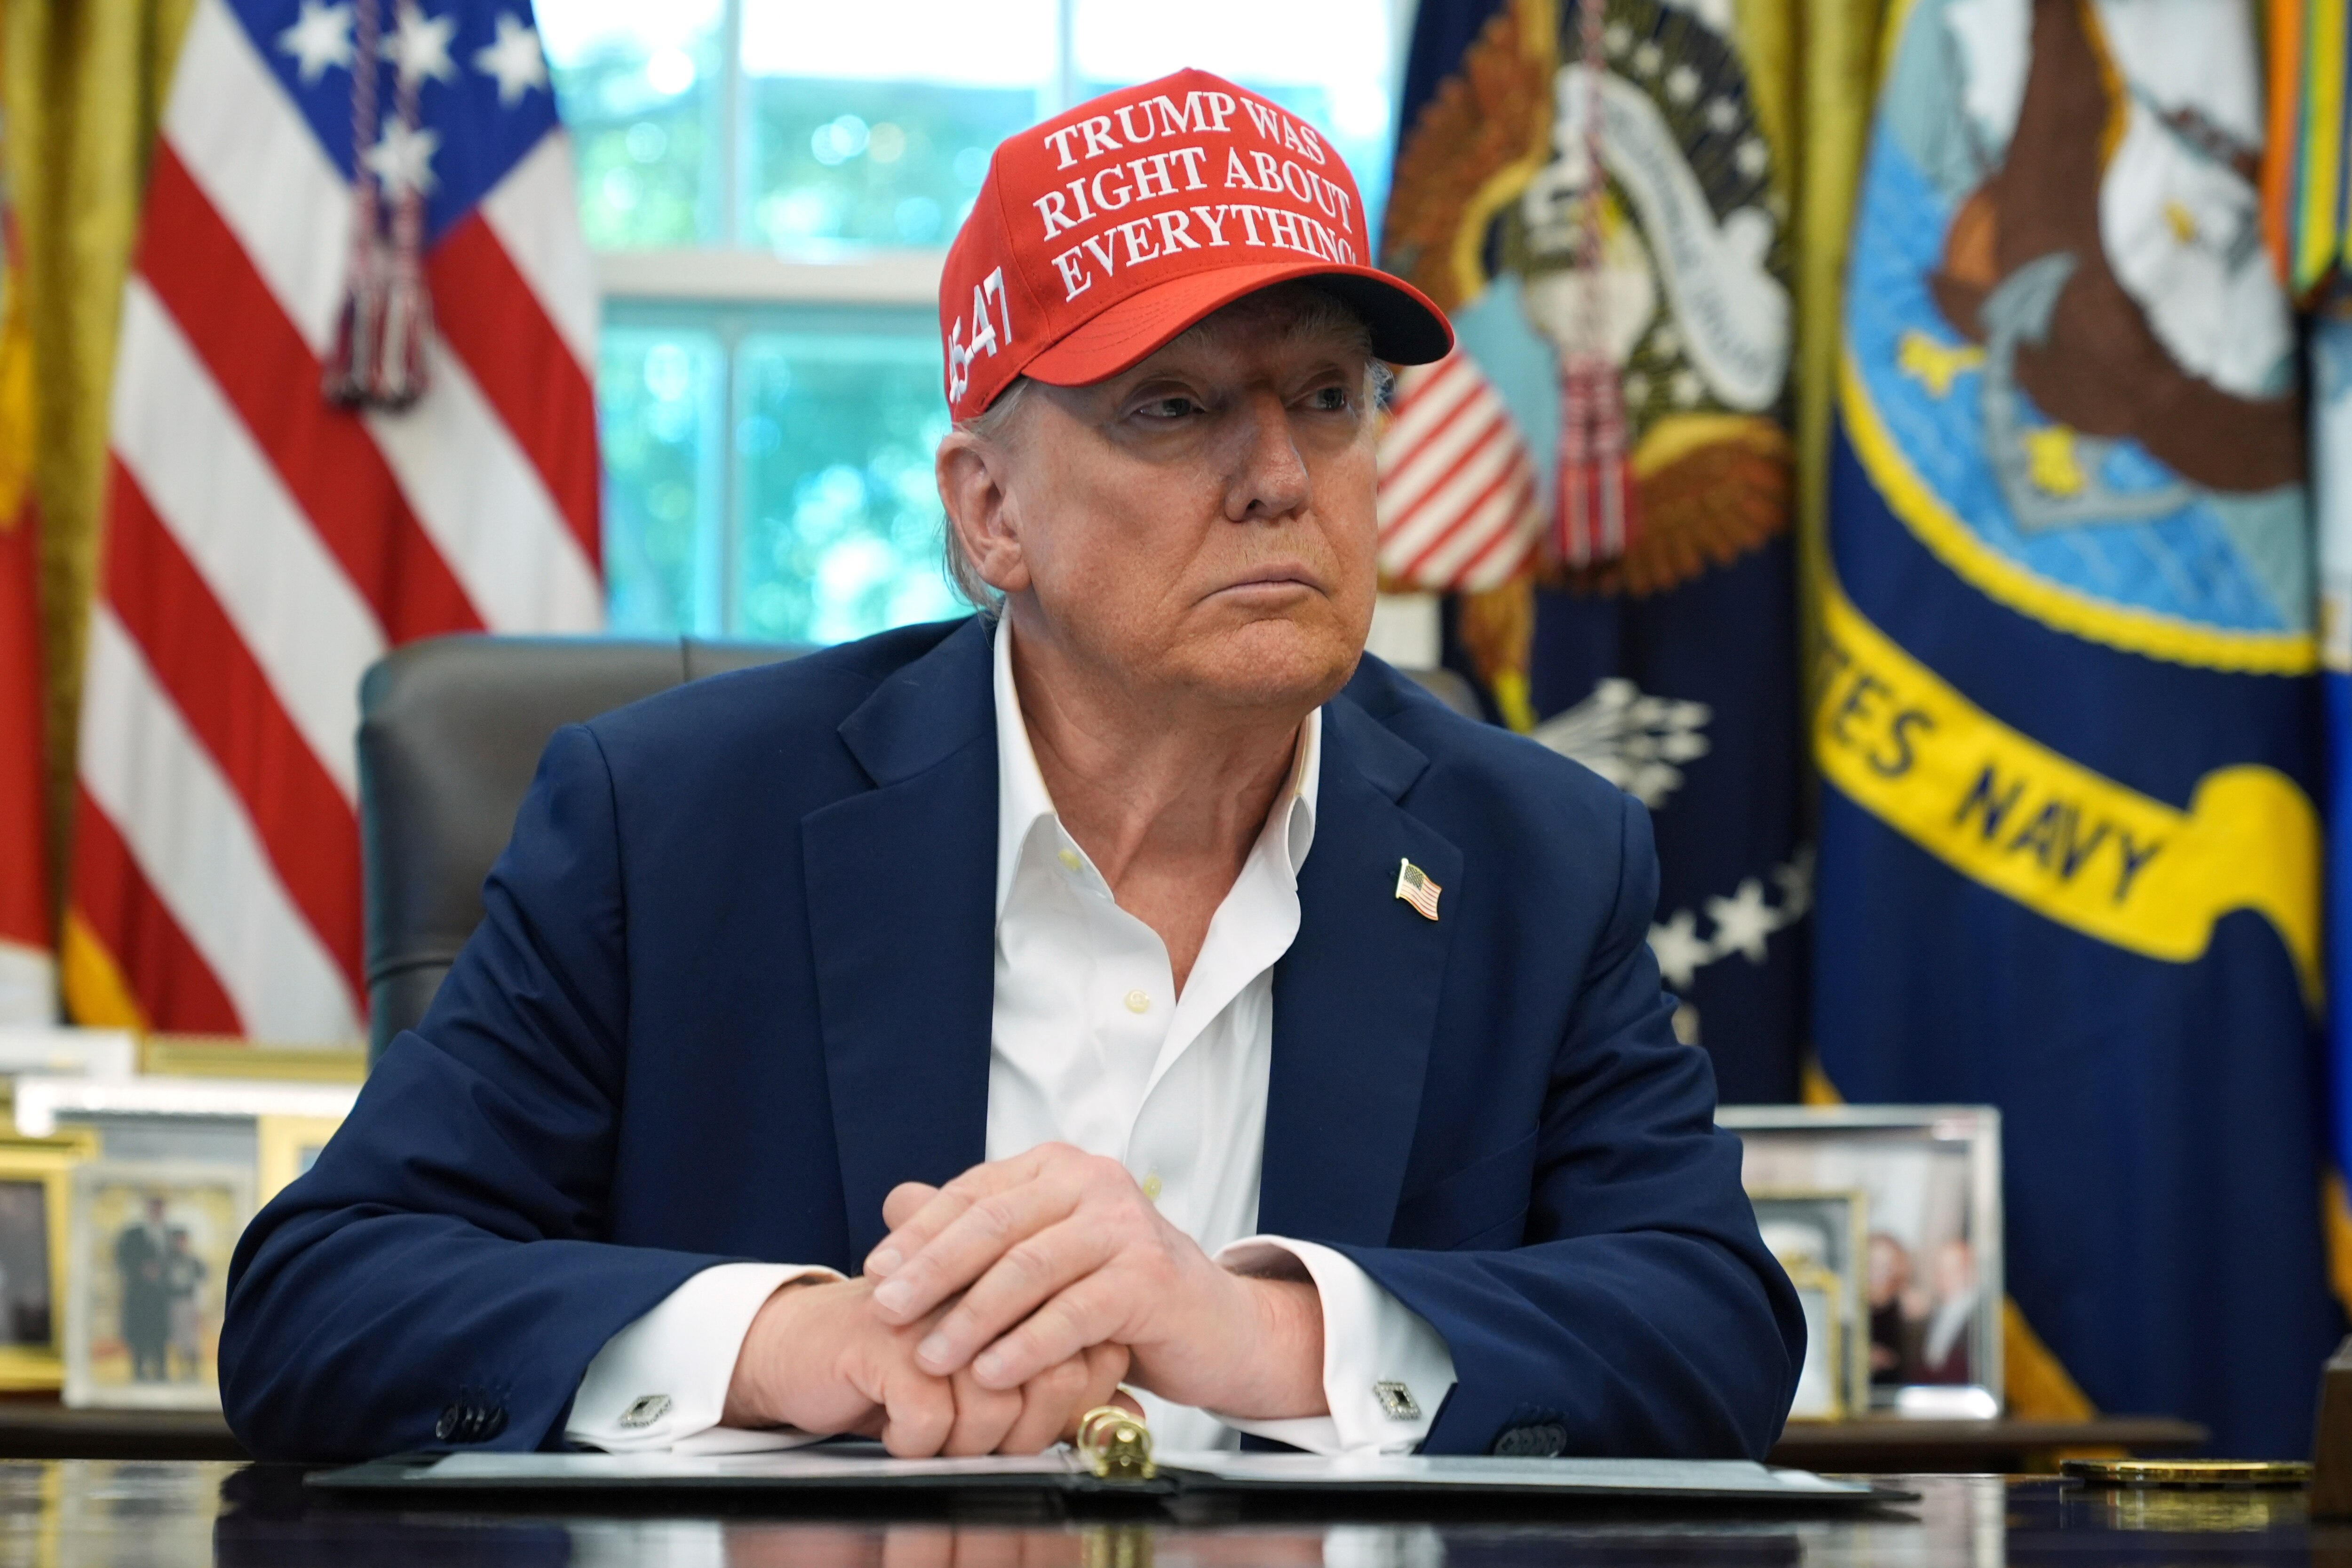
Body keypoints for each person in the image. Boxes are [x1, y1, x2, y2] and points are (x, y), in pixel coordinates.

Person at [220, 69, 1802, 1463]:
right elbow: (323, 1296)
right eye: (1173, 409)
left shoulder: (1539, 849)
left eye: (1329, 398)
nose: (1277, 476)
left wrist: (1259, 1331)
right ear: (991, 515)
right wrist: (789, 1347)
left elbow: (1714, 1323)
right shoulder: (671, 820)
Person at [117, 1197, 170, 1383]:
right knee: (139, 1334)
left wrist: (162, 1273)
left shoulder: (170, 1234)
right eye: (154, 1208)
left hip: (161, 1296)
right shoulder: (133, 1234)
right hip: (139, 1294)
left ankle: (162, 1372)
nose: (158, 1212)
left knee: (160, 1335)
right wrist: (141, 1270)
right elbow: (122, 1258)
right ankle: (138, 1372)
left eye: (160, 1208)